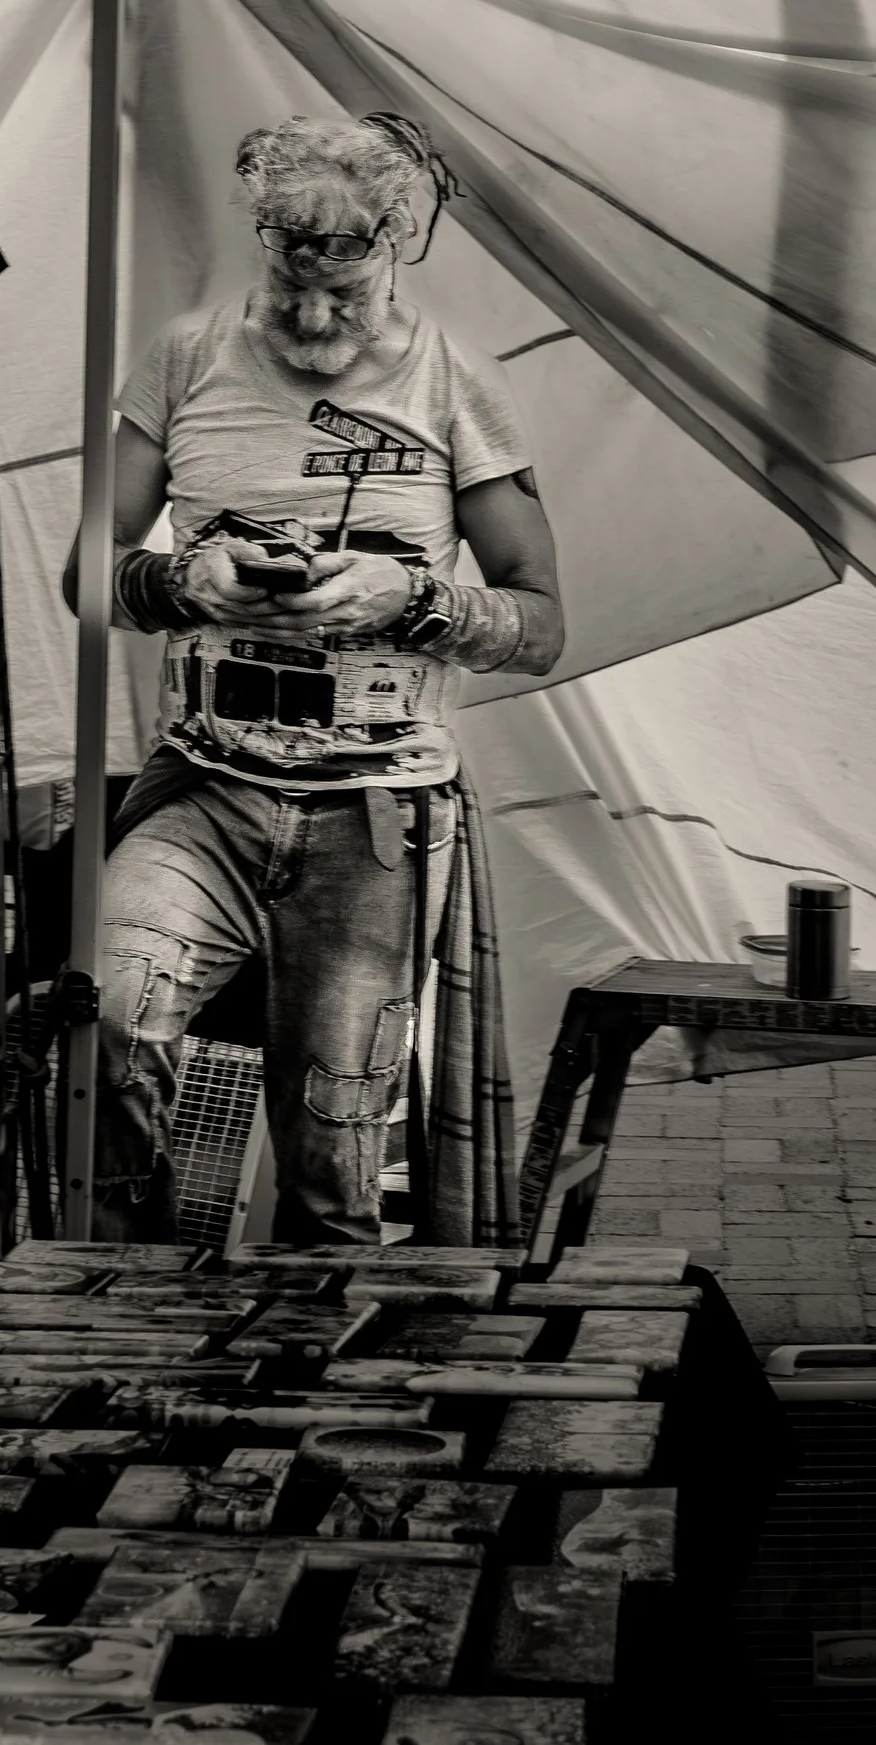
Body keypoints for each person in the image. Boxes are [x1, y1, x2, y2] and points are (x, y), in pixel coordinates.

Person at [63, 112, 564, 1245]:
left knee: (333, 1168)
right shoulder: (184, 357)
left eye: (346, 264)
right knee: (104, 1006)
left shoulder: (455, 383)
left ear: (397, 240)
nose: (314, 300)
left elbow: (540, 621)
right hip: (206, 791)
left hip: (371, 825)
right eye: (291, 255)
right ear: (261, 234)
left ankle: (307, 1373)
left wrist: (411, 600)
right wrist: (188, 577)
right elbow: (85, 577)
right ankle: (132, 1292)